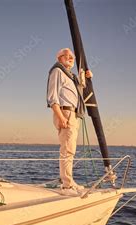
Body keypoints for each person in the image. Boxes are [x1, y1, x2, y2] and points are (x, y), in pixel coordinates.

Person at [46, 48, 92, 196]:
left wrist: (87, 76)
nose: (70, 58)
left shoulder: (70, 76)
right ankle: (66, 186)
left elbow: (79, 89)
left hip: (73, 113)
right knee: (67, 149)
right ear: (59, 58)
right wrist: (61, 117)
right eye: (66, 55)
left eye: (72, 56)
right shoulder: (57, 71)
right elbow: (52, 97)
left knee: (70, 149)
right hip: (65, 112)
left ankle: (69, 181)